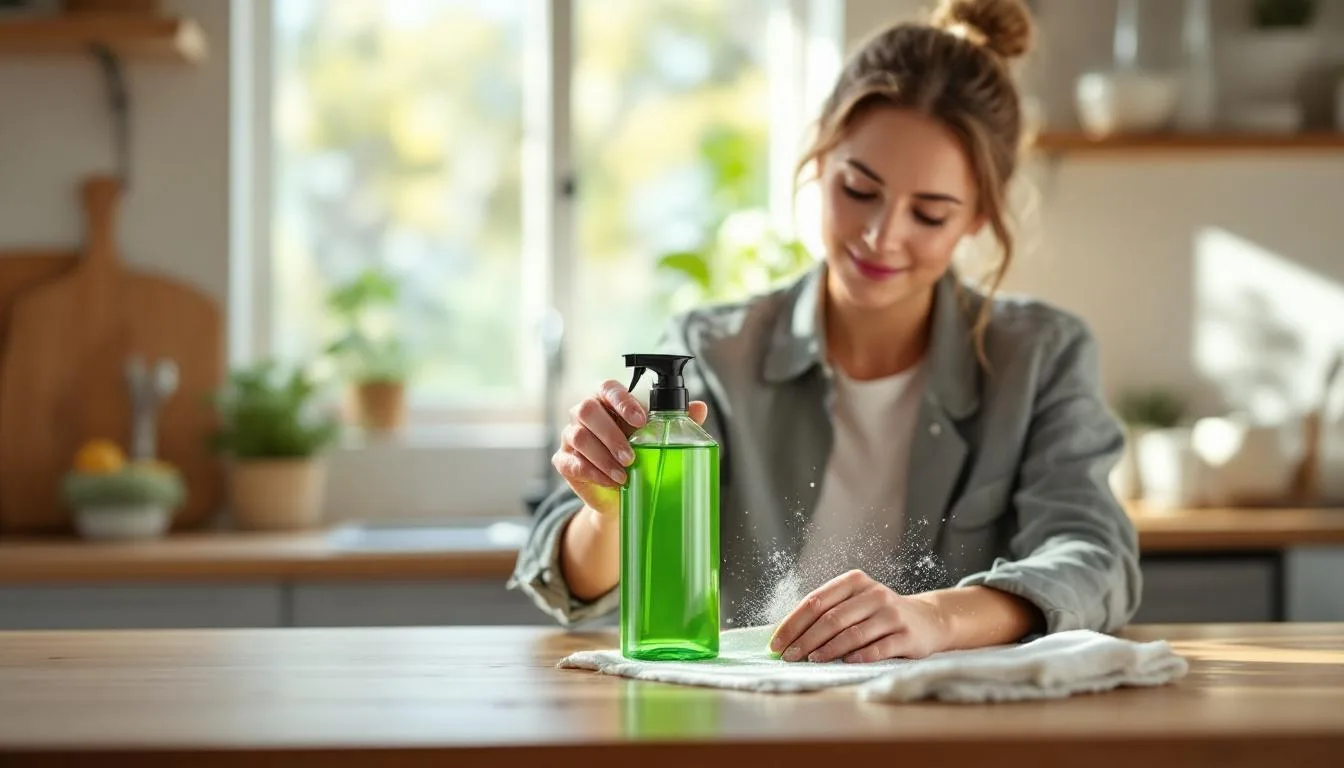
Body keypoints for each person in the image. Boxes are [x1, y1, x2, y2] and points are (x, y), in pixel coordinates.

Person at [509, 0, 1140, 664]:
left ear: (978, 216)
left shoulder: (1040, 356)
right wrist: (611, 509)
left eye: (929, 213)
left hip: (950, 727)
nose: (881, 236)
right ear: (821, 154)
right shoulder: (712, 350)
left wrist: (937, 617)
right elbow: (568, 583)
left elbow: (1095, 558)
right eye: (859, 189)